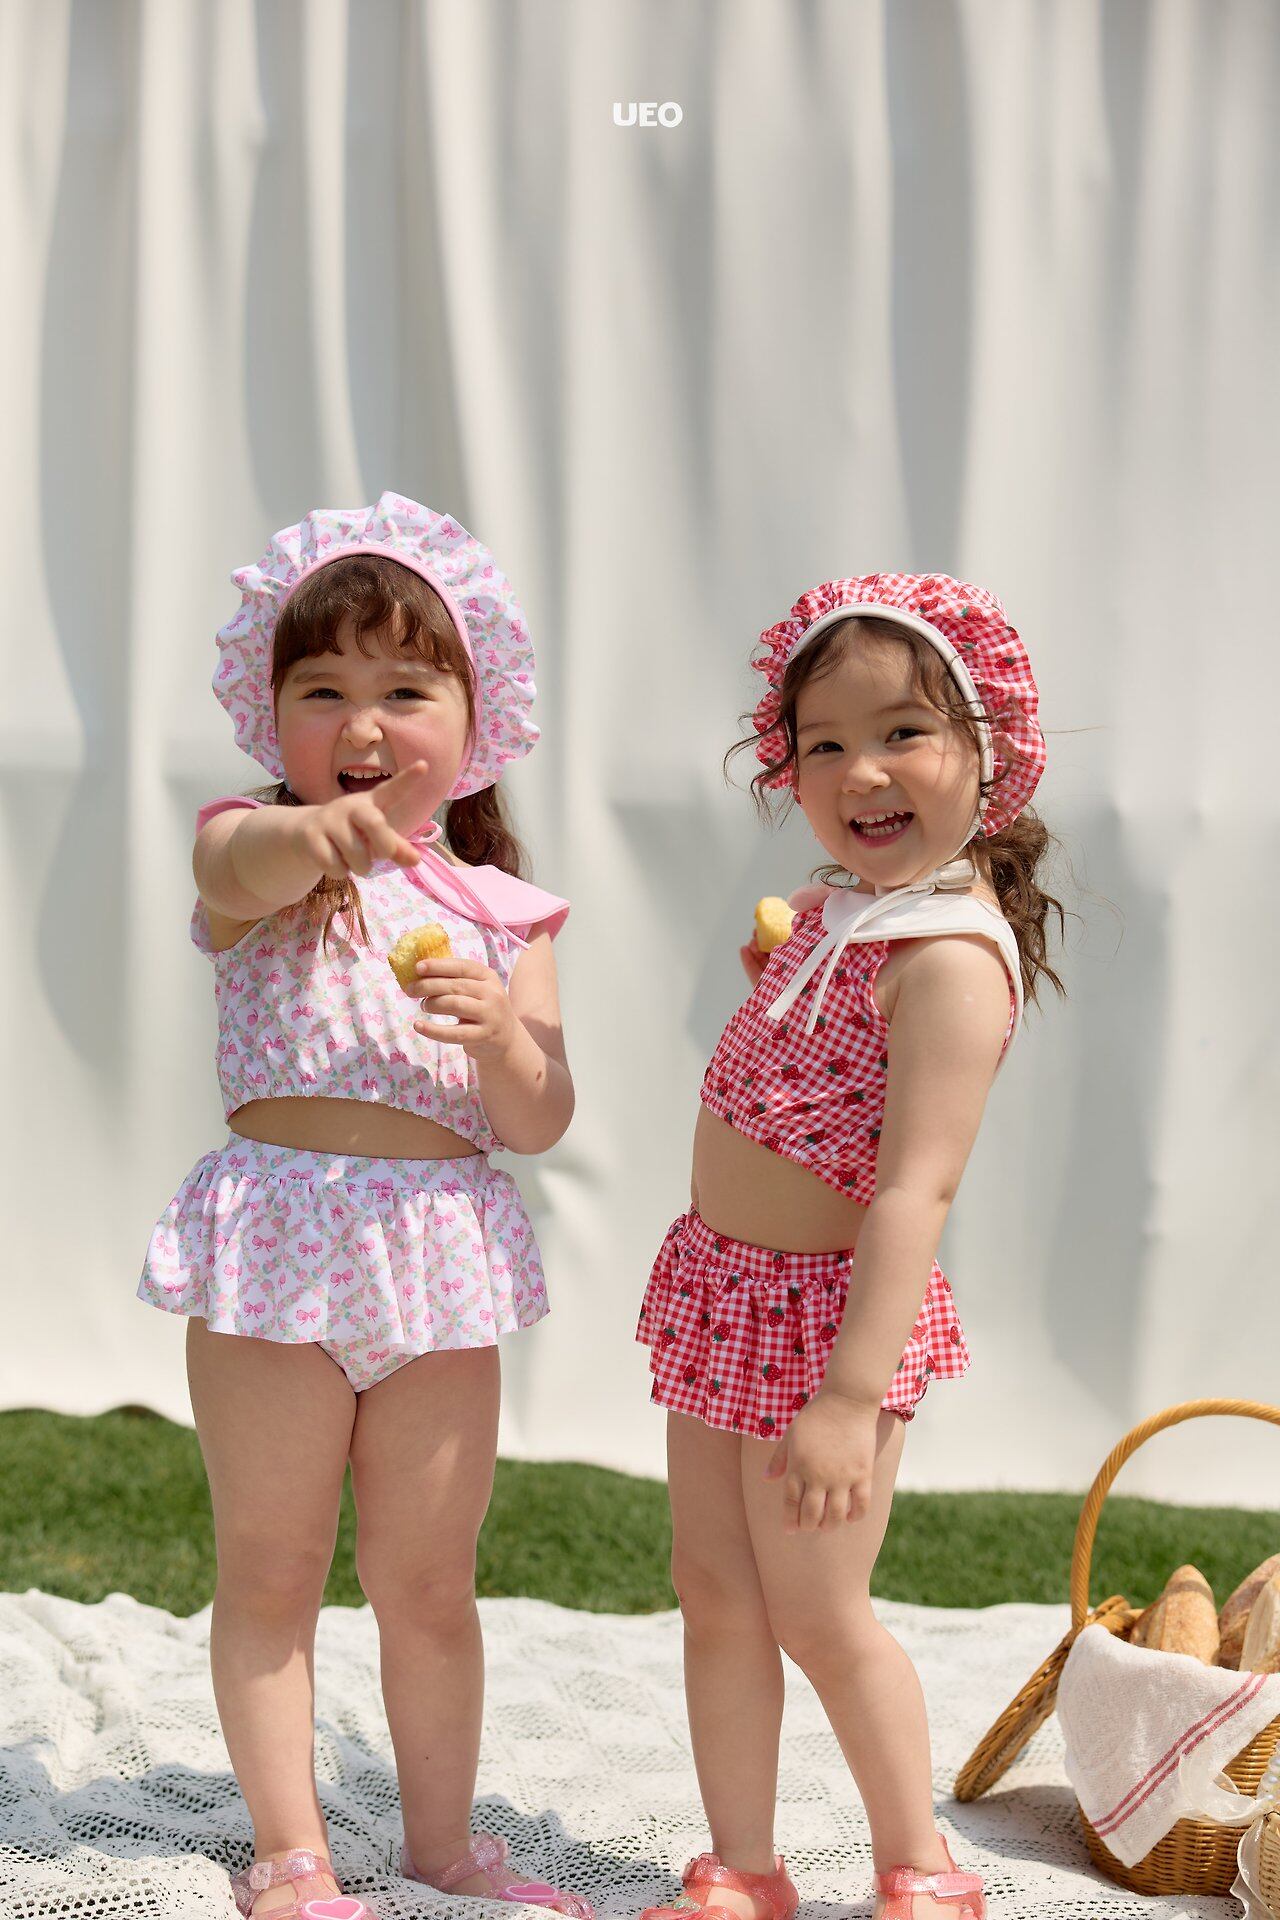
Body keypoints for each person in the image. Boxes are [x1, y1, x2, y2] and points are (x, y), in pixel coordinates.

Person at [139, 495, 593, 1920]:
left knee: (429, 1583)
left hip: (433, 1263)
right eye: (323, 691)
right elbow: (237, 871)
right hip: (277, 1254)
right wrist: (321, 832)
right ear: (273, 718)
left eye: (407, 690)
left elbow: (540, 1115)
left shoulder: (505, 911)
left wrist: (500, 1039)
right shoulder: (255, 848)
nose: (365, 721)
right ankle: (291, 1853)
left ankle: (442, 1844)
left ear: (474, 719)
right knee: (272, 1571)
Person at [635, 574, 1064, 1920]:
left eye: (903, 733)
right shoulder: (844, 915)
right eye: (823, 742)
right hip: (728, 1294)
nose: (860, 771)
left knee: (819, 1612)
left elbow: (912, 1192)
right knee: (714, 1591)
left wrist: (846, 1397)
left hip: (829, 1328)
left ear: (987, 751)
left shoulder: (947, 959)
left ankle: (922, 1865)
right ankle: (746, 1865)